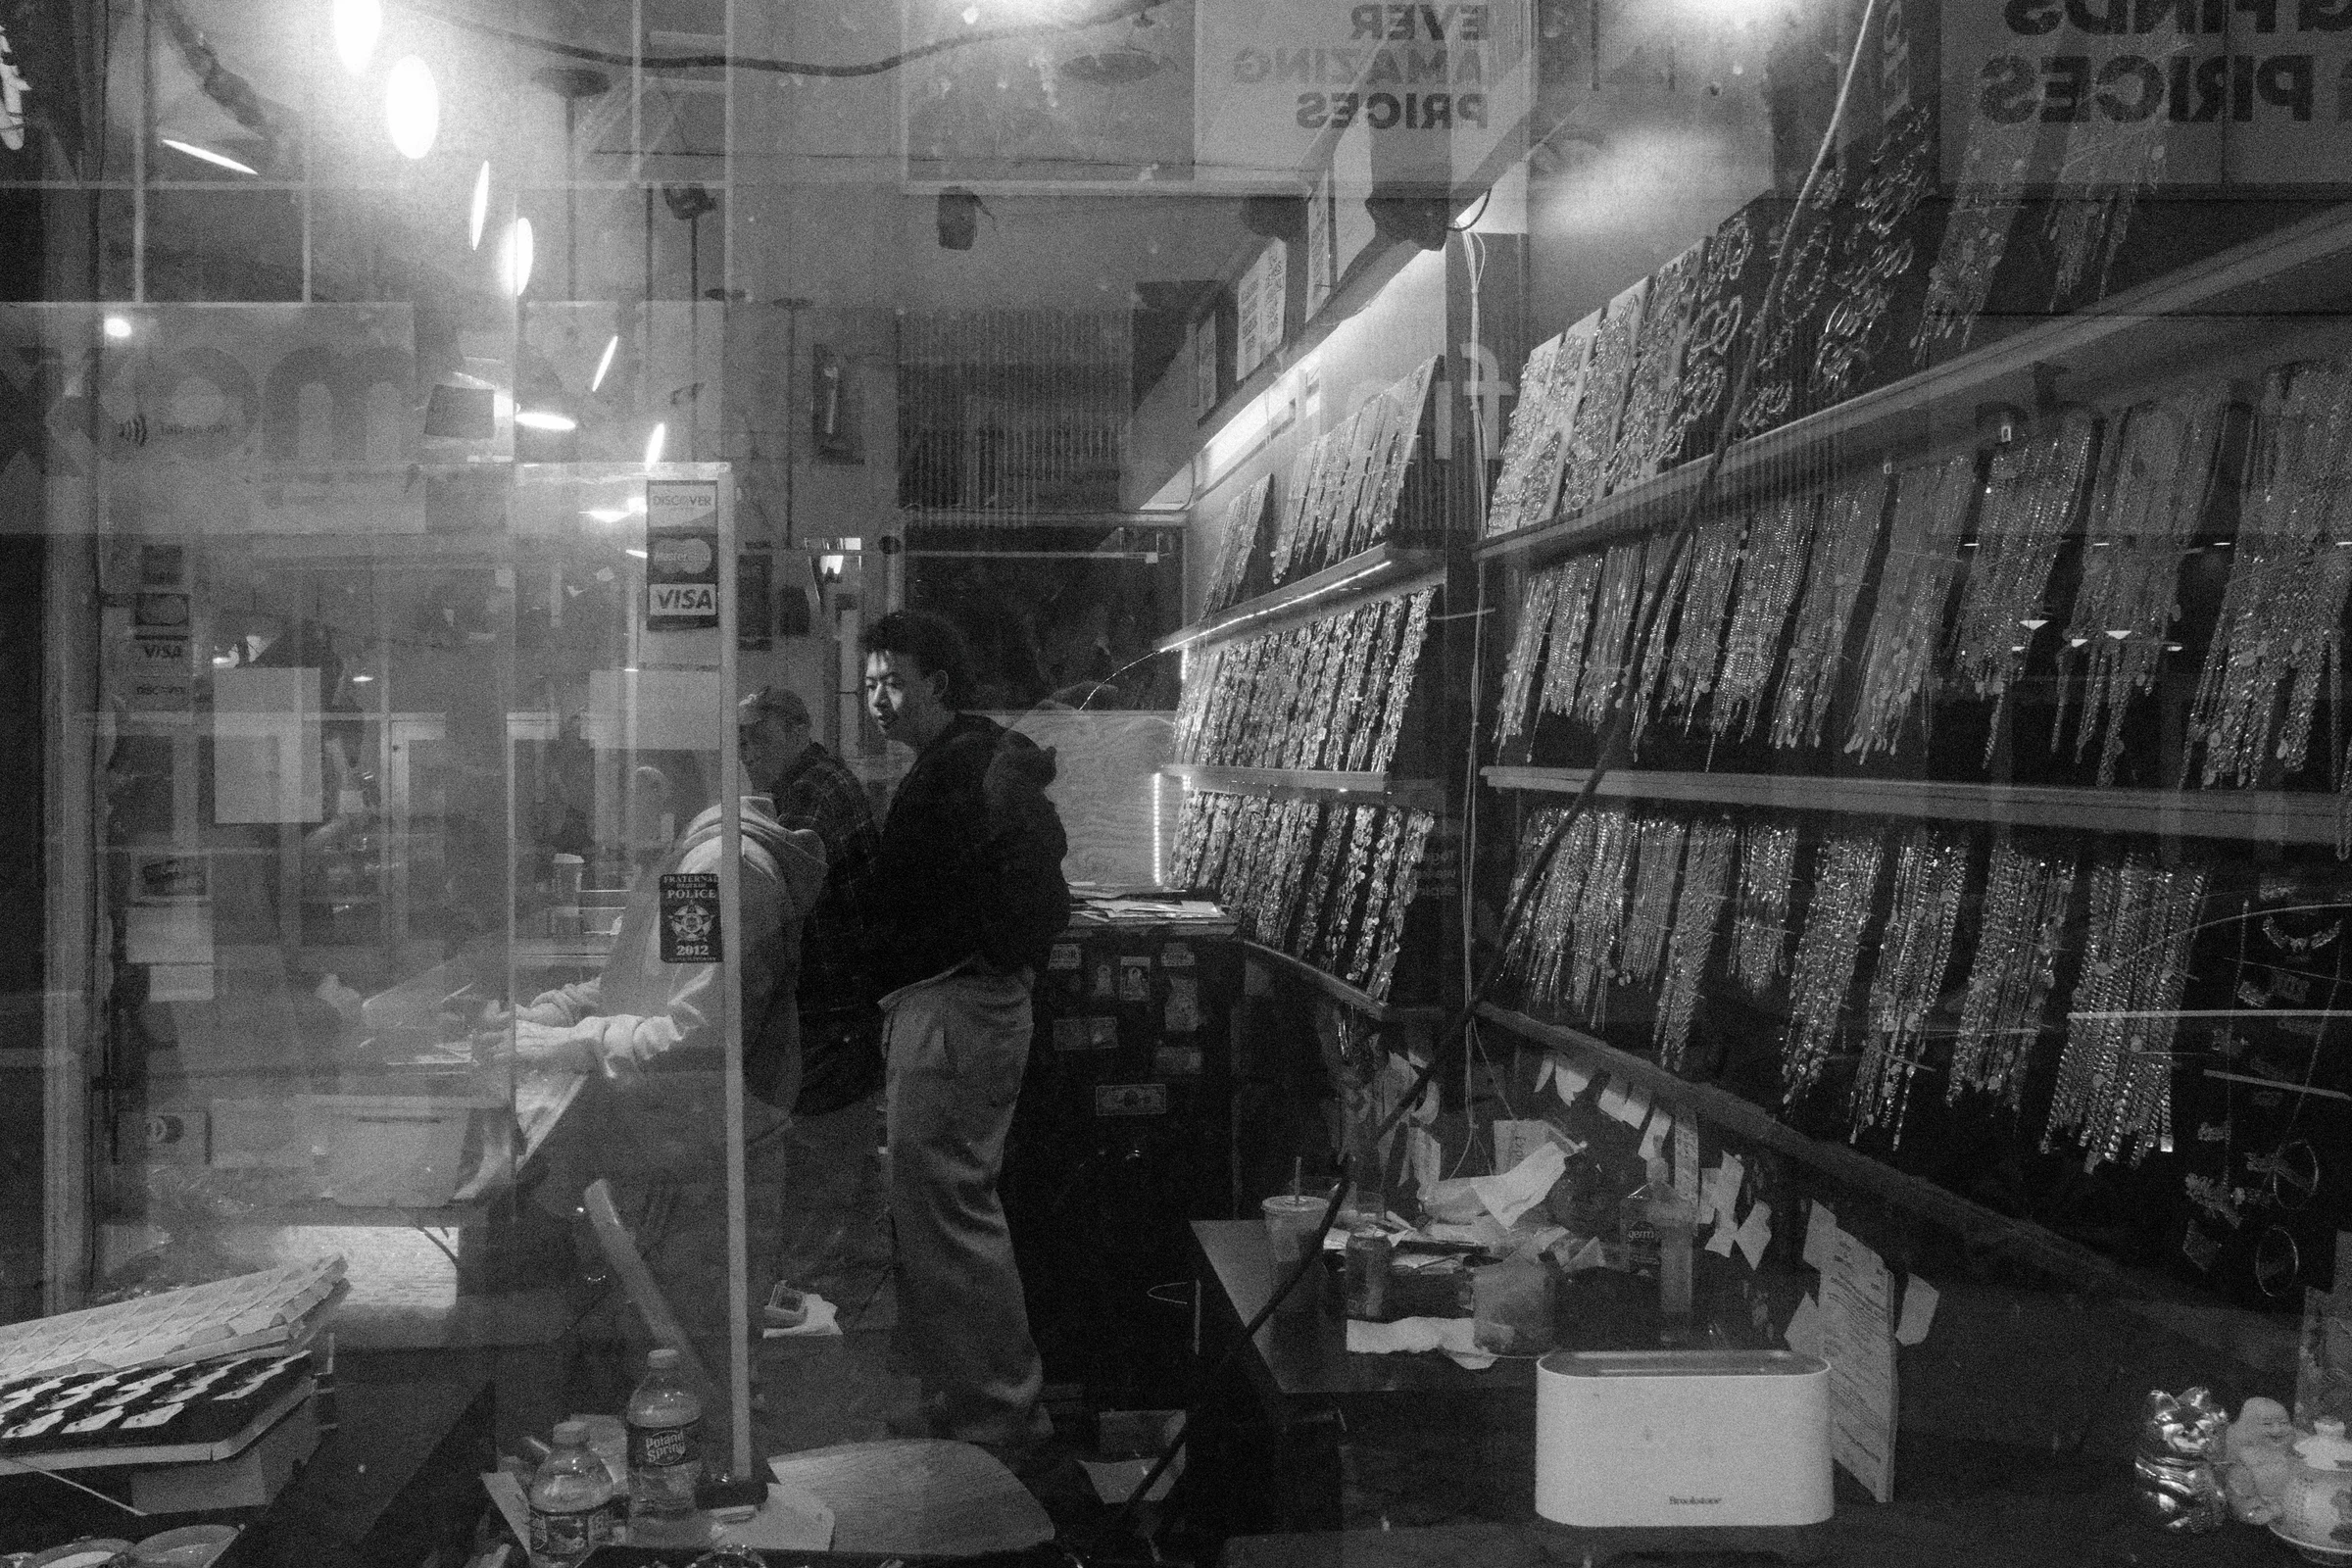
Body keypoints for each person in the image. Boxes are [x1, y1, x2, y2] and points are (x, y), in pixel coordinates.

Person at [504, 751, 827, 1357]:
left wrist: (576, 1041)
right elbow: (643, 986)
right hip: (683, 1155)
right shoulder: (689, 863)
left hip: (705, 1166)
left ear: (657, 789)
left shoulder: (709, 871)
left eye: (607, 793)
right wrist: (555, 1013)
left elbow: (695, 1039)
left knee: (699, 1367)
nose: (592, 815)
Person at [860, 610, 1070, 1451]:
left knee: (949, 1212)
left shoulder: (962, 770)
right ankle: (967, 1398)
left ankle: (1002, 1415)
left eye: (894, 682)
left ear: (939, 685)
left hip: (954, 1008)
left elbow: (1026, 904)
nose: (878, 699)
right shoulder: (964, 762)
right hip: (953, 1004)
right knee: (936, 1212)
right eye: (870, 684)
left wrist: (976, 960)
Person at [737, 685, 889, 1305]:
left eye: (759, 736)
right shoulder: (812, 784)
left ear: (798, 730)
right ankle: (841, 1303)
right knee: (838, 1171)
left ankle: (817, 1309)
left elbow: (775, 896)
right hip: (836, 1006)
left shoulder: (814, 794)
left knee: (821, 1171)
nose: (747, 751)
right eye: (741, 739)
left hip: (835, 1007)